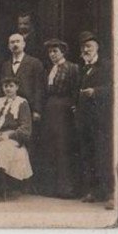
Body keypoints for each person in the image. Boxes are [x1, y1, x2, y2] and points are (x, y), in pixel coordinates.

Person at [76, 31, 115, 210]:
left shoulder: (106, 66)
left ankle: (109, 192)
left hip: (100, 118)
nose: (86, 49)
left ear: (97, 48)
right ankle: (92, 191)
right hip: (85, 118)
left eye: (89, 46)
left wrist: (95, 91)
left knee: (103, 153)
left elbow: (113, 88)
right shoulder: (83, 67)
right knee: (87, 154)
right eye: (83, 47)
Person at [40, 39, 80, 198]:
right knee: (51, 146)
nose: (52, 55)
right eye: (50, 52)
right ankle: (51, 188)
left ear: (63, 52)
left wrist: (73, 107)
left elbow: (75, 89)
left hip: (64, 108)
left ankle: (66, 188)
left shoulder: (72, 67)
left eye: (55, 51)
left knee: (63, 146)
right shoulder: (51, 69)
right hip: (51, 108)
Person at [0, 33, 45, 123]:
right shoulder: (5, 65)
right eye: (12, 42)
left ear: (24, 44)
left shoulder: (35, 63)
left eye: (18, 42)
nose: (15, 45)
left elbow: (39, 88)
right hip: (9, 108)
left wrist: (37, 110)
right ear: (9, 46)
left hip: (29, 107)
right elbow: (1, 87)